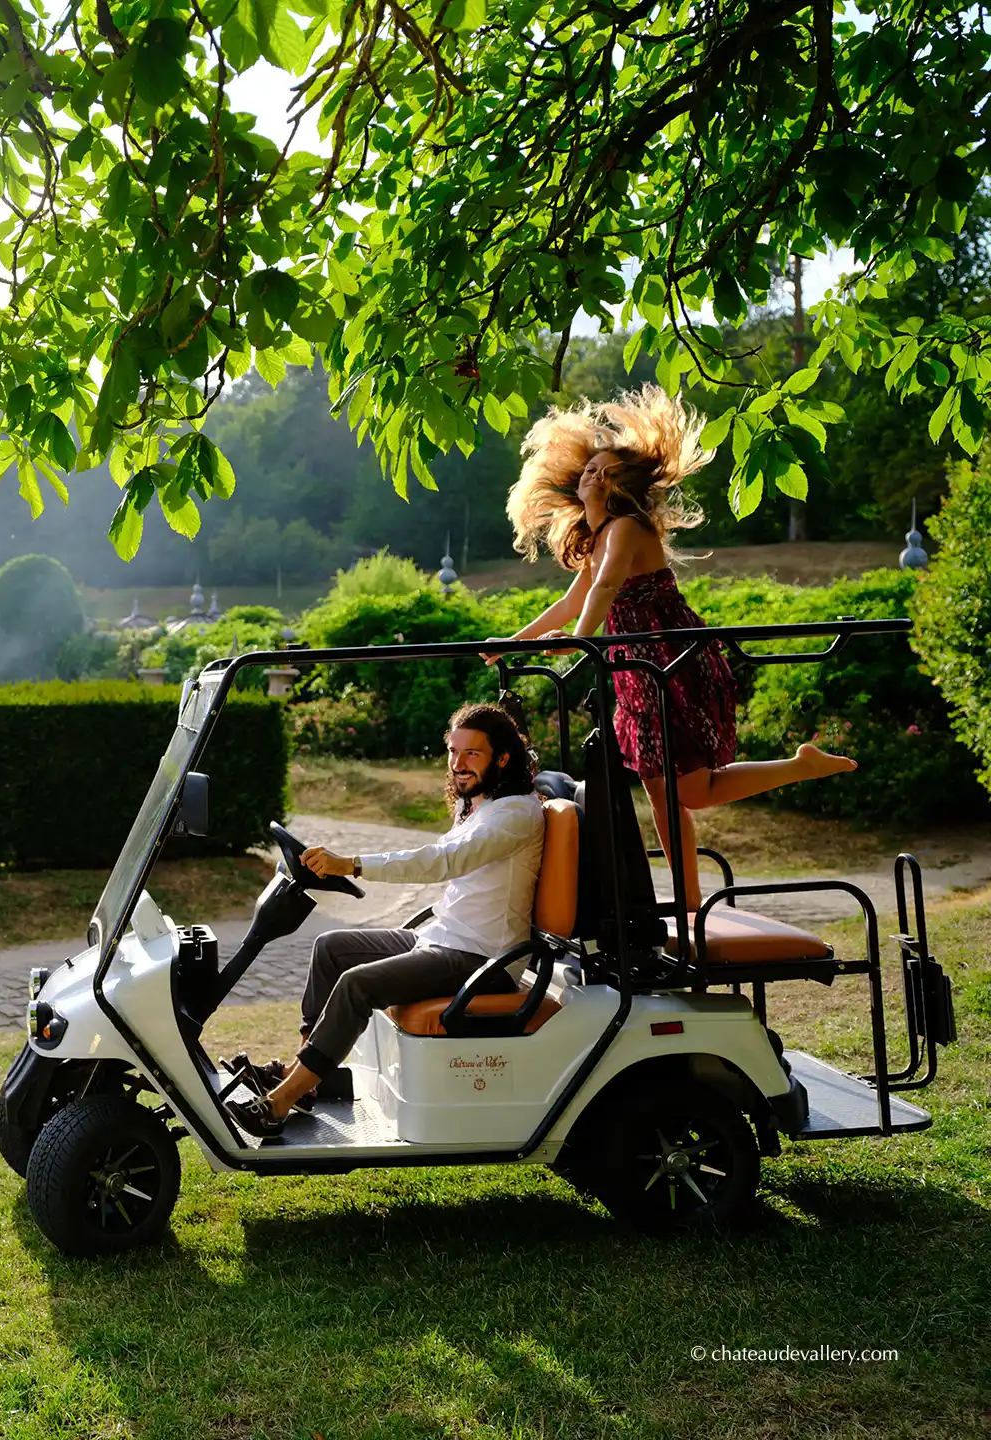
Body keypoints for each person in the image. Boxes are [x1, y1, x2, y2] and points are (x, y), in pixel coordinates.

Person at [492, 385, 855, 902]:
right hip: (636, 671)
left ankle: (798, 770)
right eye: (589, 469)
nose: (592, 475)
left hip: (670, 661)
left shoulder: (627, 528)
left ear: (621, 484)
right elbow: (572, 602)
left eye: (604, 470)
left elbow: (605, 589)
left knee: (687, 791)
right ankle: (688, 903)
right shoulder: (598, 538)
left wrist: (577, 642)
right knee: (667, 795)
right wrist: (512, 643)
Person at [227, 702, 545, 1138]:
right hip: (444, 938)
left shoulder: (515, 815)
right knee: (330, 947)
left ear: (503, 757)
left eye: (473, 754)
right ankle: (302, 1084)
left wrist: (350, 864)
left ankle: (278, 1105)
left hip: (483, 958)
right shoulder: (480, 803)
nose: (458, 764)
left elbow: (439, 862)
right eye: (453, 751)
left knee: (357, 984)